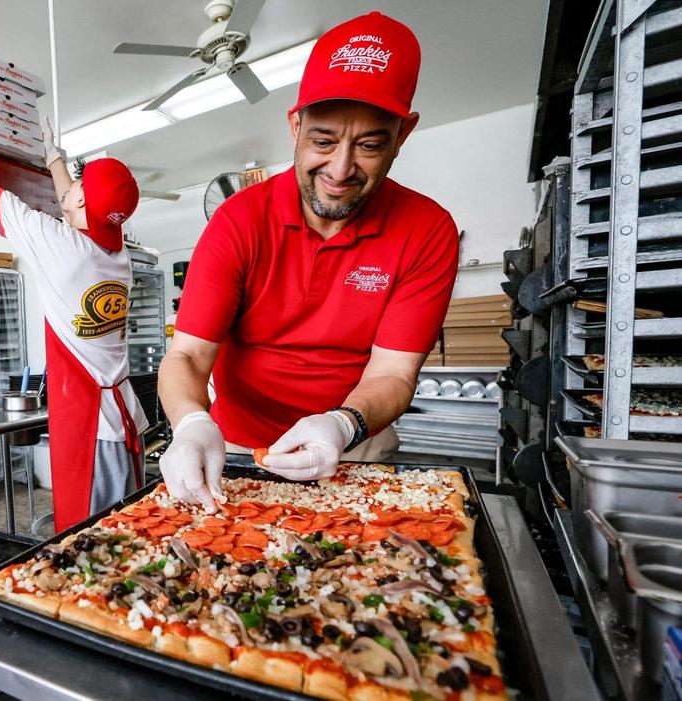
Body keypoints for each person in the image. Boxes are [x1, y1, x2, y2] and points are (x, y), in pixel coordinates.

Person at [158, 12, 460, 512]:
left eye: (369, 146)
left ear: (403, 134)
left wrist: (342, 424)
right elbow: (188, 355)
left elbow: (394, 373)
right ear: (294, 125)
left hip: (355, 442)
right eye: (322, 141)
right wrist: (191, 423)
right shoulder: (237, 221)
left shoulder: (427, 230)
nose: (340, 170)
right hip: (232, 445)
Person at [0, 101, 149, 532]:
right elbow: (72, 200)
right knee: (128, 526)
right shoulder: (116, 254)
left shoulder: (62, 248)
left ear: (80, 199)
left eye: (80, 183)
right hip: (122, 419)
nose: (72, 184)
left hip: (94, 426)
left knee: (95, 538)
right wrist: (53, 155)